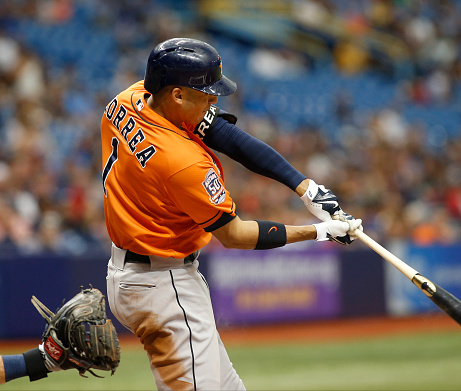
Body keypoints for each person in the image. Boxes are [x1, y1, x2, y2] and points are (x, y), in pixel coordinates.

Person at [102, 37, 362, 391]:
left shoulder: (130, 99)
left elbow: (224, 133)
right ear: (177, 94)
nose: (214, 100)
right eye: (207, 94)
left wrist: (305, 188)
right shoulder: (181, 163)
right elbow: (235, 236)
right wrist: (320, 231)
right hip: (163, 286)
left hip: (135, 271)